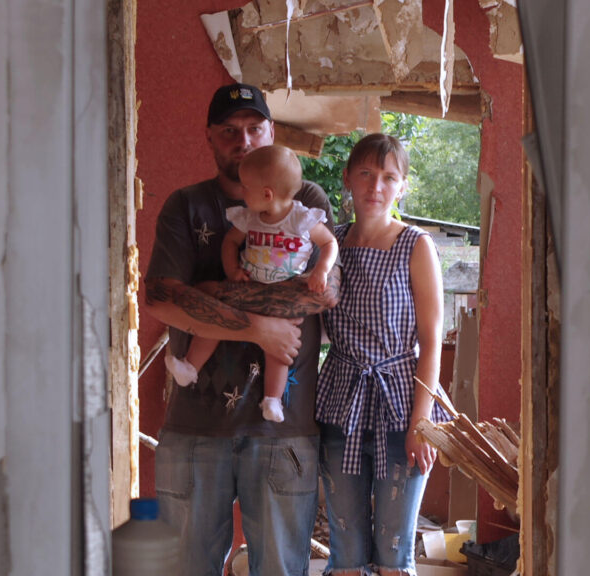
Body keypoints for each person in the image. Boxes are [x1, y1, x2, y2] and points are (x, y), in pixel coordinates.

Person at [143, 83, 339, 576]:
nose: (244, 140)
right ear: (210, 137)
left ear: (272, 130)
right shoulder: (185, 206)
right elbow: (162, 299)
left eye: (255, 128)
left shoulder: (305, 200)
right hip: (194, 428)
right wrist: (257, 329)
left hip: (283, 429)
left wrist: (214, 294)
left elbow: (324, 291)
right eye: (230, 131)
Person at [315, 133, 453, 576]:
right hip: (340, 403)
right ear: (348, 179)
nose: (376, 186)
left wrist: (422, 423)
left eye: (389, 177)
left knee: (394, 552)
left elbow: (431, 341)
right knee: (346, 550)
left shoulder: (416, 246)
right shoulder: (328, 244)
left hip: (401, 404)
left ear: (402, 187)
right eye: (366, 174)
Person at [164, 144, 339, 424]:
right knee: (218, 323)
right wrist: (233, 270)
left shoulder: (302, 217)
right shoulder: (250, 217)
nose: (241, 192)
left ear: (266, 194)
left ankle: (272, 399)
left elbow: (330, 243)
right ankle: (189, 367)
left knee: (280, 348)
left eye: (246, 187)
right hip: (248, 287)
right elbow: (230, 242)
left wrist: (321, 270)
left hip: (284, 292)